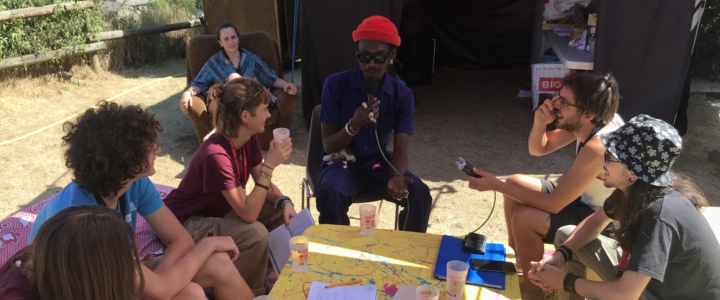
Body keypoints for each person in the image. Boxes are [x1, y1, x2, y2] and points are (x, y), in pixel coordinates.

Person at [28, 102, 253, 300]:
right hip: (88, 288)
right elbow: (161, 289)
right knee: (191, 293)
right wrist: (209, 244)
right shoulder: (85, 220)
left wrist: (158, 282)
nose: (158, 149)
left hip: (117, 274)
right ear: (126, 158)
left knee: (219, 264)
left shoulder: (132, 182)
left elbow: (181, 240)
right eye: (150, 146)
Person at [465, 72, 623, 299]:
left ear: (588, 113)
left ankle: (535, 292)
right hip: (586, 202)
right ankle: (522, 260)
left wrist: (495, 186)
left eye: (564, 102)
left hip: (602, 222)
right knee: (515, 183)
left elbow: (555, 204)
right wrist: (539, 122)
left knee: (524, 217)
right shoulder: (591, 120)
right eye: (558, 97)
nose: (555, 105)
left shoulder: (598, 146)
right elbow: (539, 148)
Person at [528, 114, 720, 299]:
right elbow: (595, 222)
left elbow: (624, 295)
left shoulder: (659, 214)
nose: (602, 160)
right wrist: (559, 257)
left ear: (633, 172)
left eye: (610, 157)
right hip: (651, 285)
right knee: (565, 235)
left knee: (602, 296)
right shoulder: (637, 188)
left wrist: (564, 281)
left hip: (667, 294)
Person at [164, 77, 294, 296]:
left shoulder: (248, 138)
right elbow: (249, 214)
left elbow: (262, 184)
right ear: (245, 116)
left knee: (281, 213)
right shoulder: (216, 154)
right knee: (256, 234)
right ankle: (251, 291)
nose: (270, 115)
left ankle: (272, 272)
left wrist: (284, 201)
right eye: (264, 109)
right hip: (187, 222)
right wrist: (269, 164)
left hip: (221, 211)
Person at [316, 15, 432, 232]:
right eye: (364, 57)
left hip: (378, 165)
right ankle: (337, 255)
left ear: (392, 55)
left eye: (378, 58)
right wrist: (354, 125)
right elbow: (328, 145)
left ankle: (408, 255)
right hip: (342, 163)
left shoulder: (402, 95)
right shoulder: (336, 84)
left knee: (419, 194)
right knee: (331, 191)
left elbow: (401, 149)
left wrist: (396, 176)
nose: (370, 64)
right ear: (356, 54)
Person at [1, 205, 245, 300]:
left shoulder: (63, 255)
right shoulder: (18, 293)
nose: (133, 263)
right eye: (126, 259)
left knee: (191, 292)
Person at [179, 22, 298, 143]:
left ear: (238, 38)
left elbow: (272, 78)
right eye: (226, 39)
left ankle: (229, 136)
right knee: (231, 80)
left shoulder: (251, 59)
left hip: (250, 102)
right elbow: (198, 83)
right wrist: (187, 93)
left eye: (233, 37)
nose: (231, 42)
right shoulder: (213, 63)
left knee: (237, 80)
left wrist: (286, 85)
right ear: (220, 43)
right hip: (224, 102)